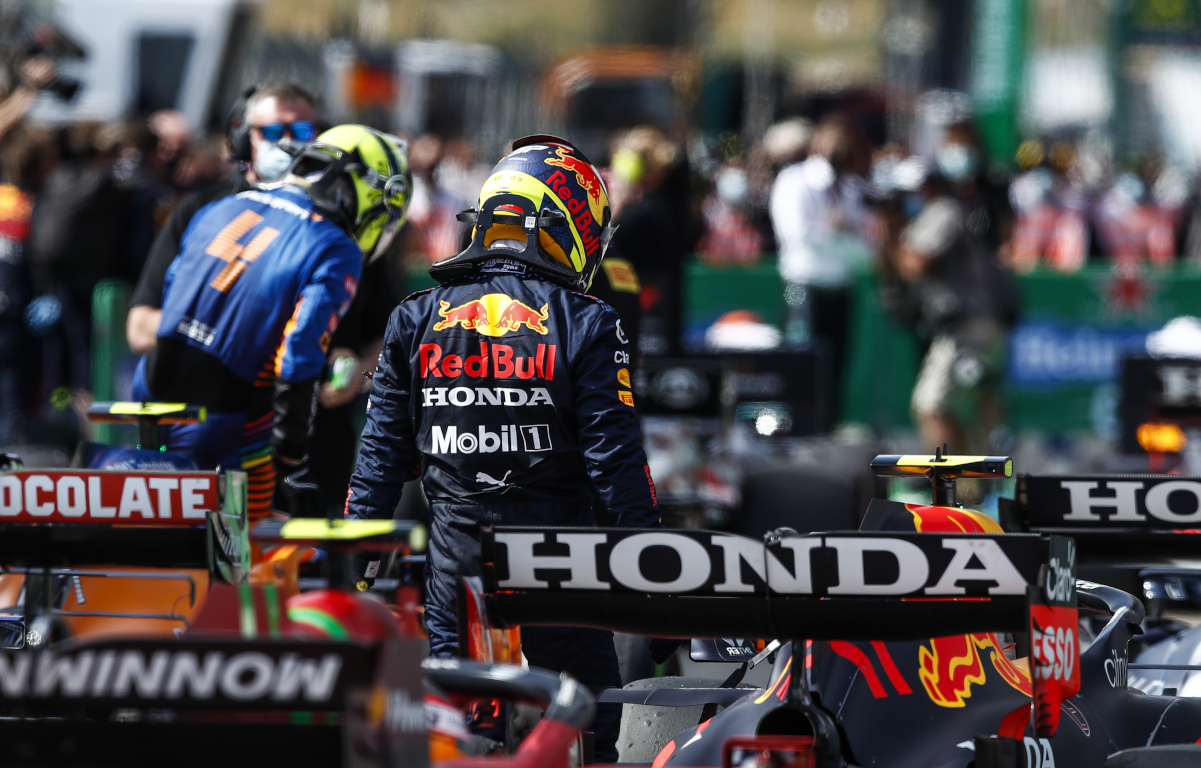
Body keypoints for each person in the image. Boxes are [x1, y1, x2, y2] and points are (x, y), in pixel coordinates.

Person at [344, 136, 661, 762]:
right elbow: (615, 466)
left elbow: (380, 459)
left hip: (457, 563)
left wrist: (354, 568)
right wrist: (659, 571)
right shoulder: (591, 321)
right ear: (564, 224)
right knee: (588, 729)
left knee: (462, 737)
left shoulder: (414, 317)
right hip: (561, 564)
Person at [133, 125, 411, 518]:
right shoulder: (335, 246)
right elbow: (297, 359)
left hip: (151, 394)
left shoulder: (221, 205)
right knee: (255, 554)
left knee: (162, 534)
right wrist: (293, 466)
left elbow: (177, 299)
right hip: (229, 417)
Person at [126, 83, 319, 354]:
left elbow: (376, 336)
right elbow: (140, 327)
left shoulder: (333, 221)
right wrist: (229, 333)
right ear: (243, 138)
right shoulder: (201, 208)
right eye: (273, 132)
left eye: (301, 131)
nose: (287, 142)